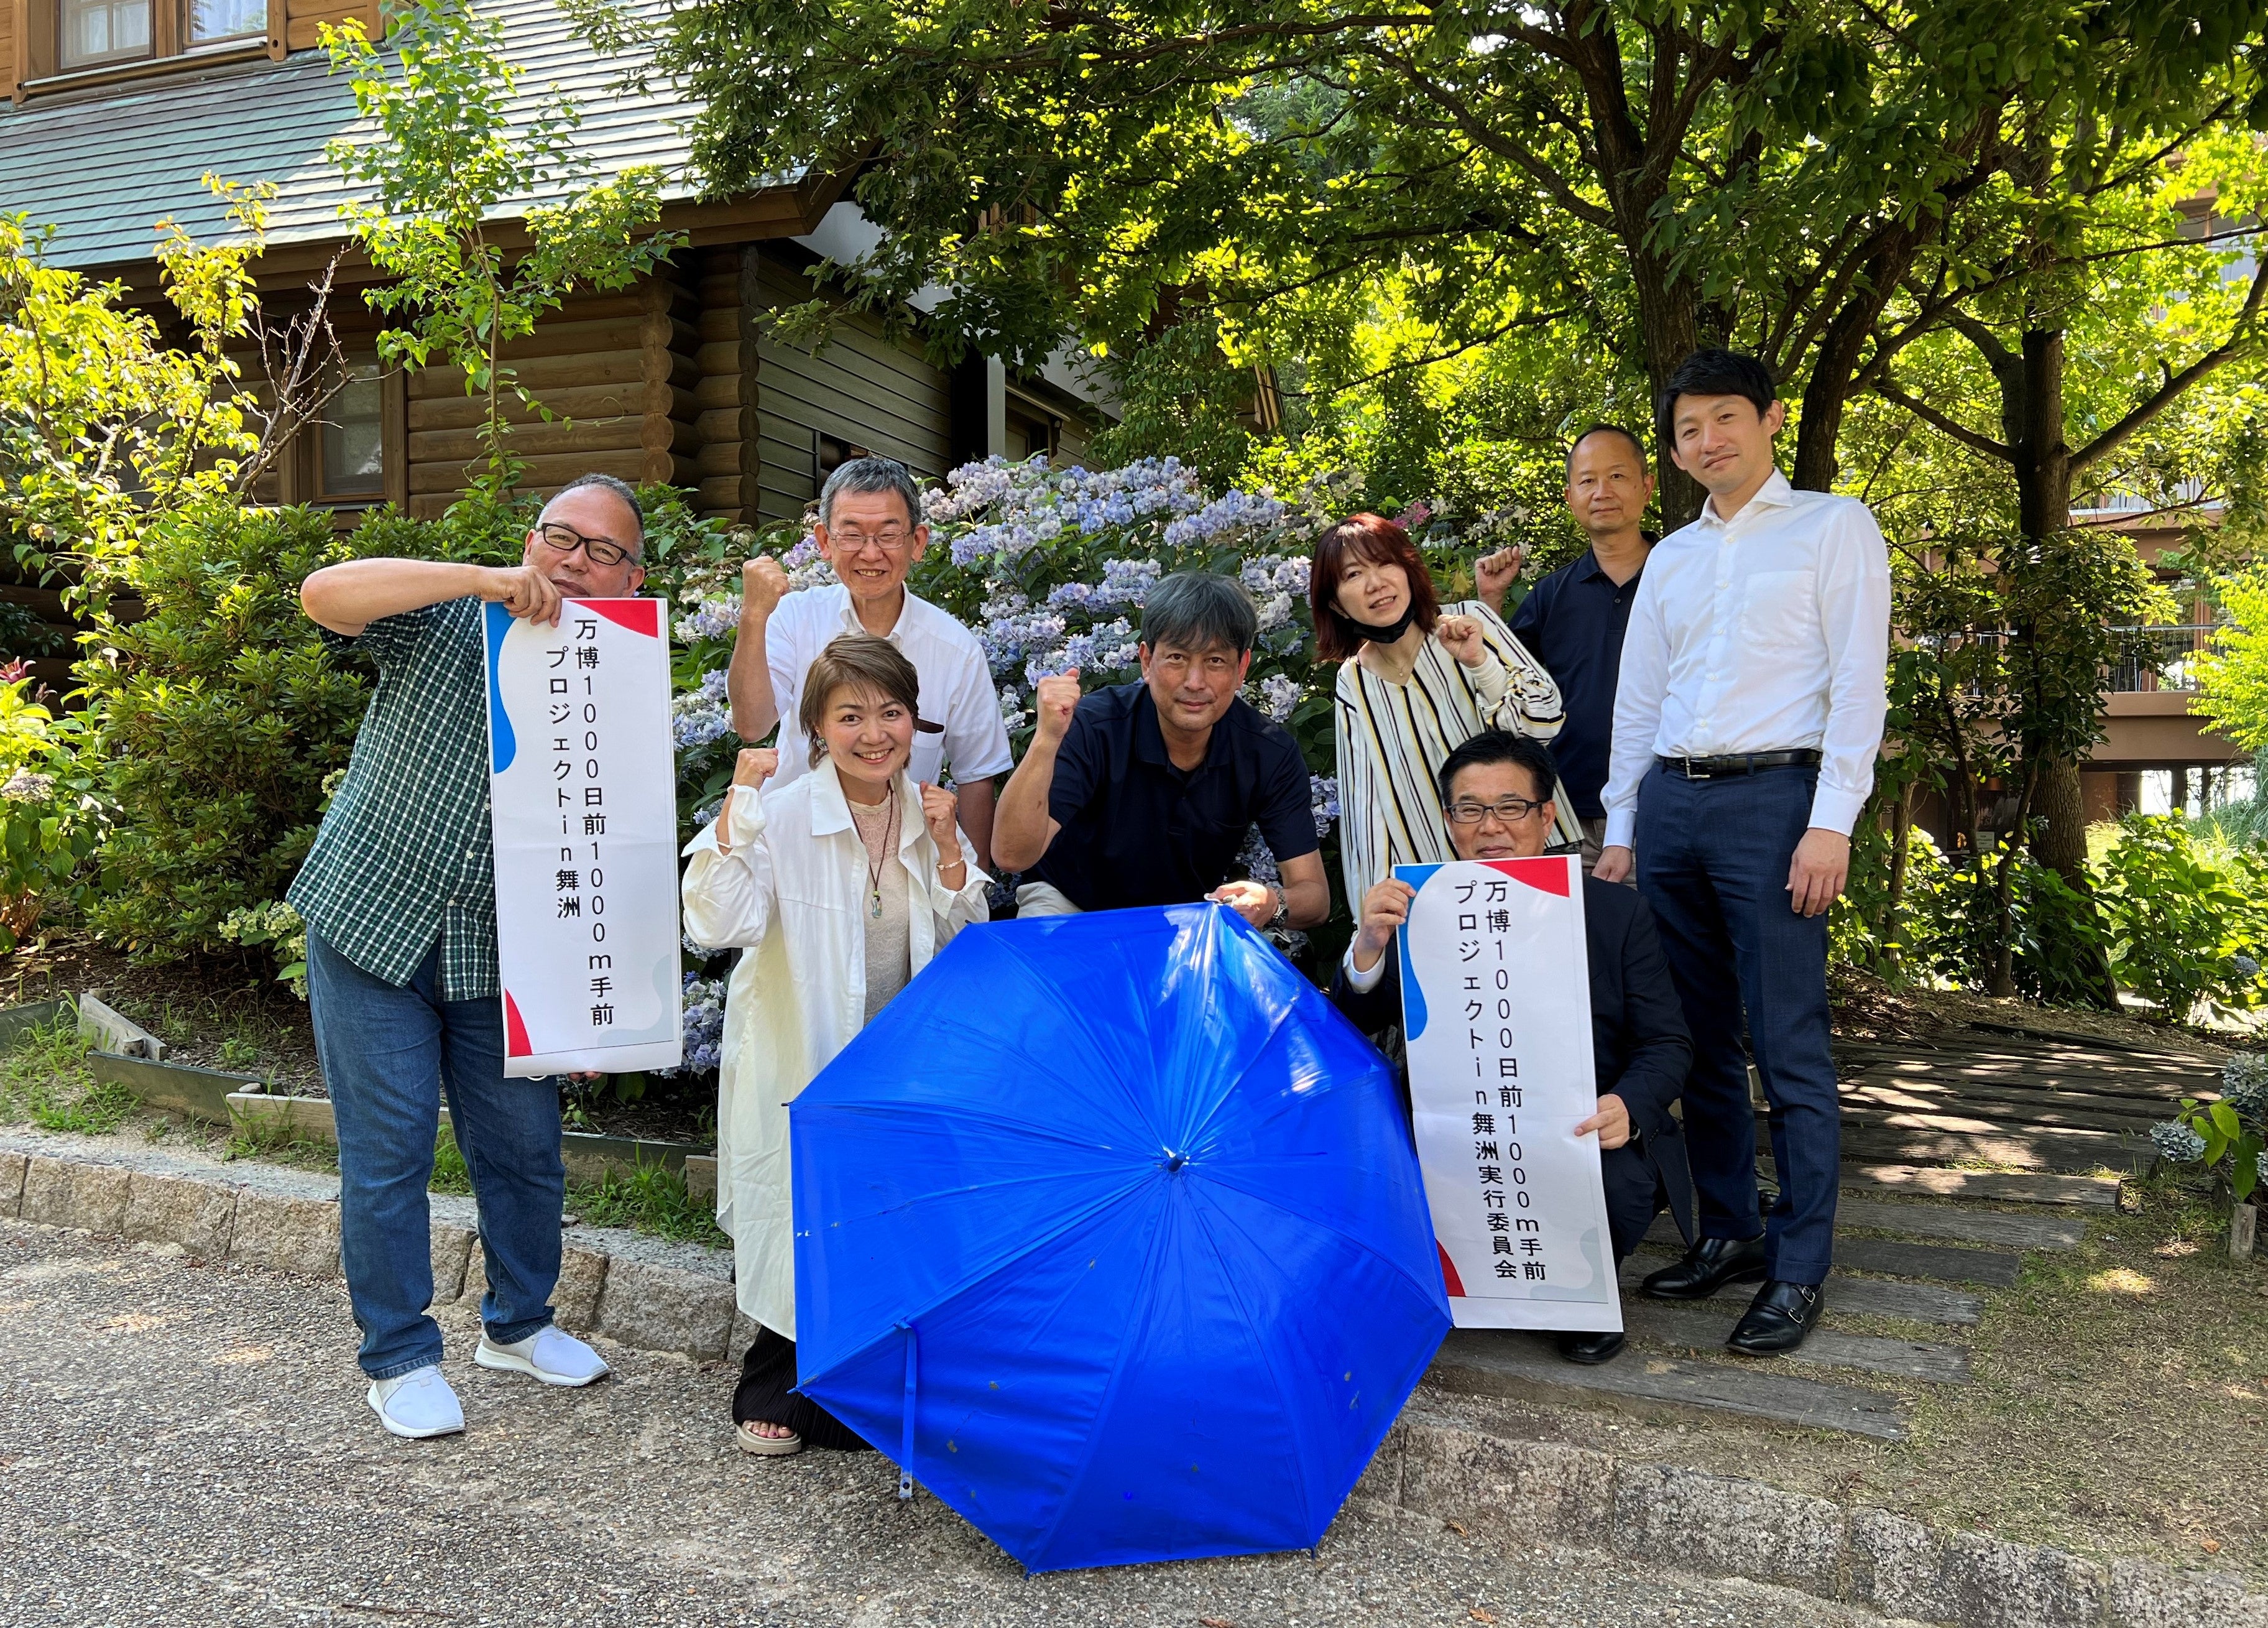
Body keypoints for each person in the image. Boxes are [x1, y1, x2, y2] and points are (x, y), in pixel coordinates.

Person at [292, 472, 640, 1439]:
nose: (574, 560)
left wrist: (595, 987)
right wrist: (481, 578)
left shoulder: (624, 672)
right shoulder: (449, 616)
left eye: (602, 550)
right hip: (372, 915)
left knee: (526, 1150)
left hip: (508, 950)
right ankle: (398, 1354)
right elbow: (325, 593)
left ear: (632, 576)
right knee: (388, 1152)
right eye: (559, 536)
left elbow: (624, 841)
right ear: (531, 541)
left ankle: (519, 1325)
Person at [1595, 349, 1890, 1356]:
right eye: (1687, 429)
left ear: (1768, 419)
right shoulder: (1672, 555)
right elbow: (1638, 703)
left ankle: (1798, 1264)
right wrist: (1623, 828)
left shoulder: (1832, 526)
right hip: (1669, 805)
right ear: (1674, 450)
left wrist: (1831, 819)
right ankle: (1727, 1226)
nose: (1706, 440)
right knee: (1695, 1035)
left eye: (1724, 418)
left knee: (1787, 1040)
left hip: (1775, 801)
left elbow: (1858, 680)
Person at [682, 634, 990, 1457]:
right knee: (802, 1214)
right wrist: (738, 809)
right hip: (806, 1051)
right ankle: (777, 1366)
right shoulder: (783, 812)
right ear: (818, 725)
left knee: (891, 1215)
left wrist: (955, 852)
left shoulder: (925, 812)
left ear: (913, 720)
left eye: (890, 711)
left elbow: (966, 945)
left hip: (900, 1064)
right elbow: (717, 921)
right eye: (850, 714)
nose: (874, 731)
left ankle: (873, 1378)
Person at [1329, 731, 1693, 1366]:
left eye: (1511, 806)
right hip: (1456, 1128)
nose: (1490, 825)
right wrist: (1368, 945)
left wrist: (1627, 1105)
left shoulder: (1613, 913)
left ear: (1547, 815)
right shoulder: (1422, 908)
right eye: (1469, 808)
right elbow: (1356, 1015)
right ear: (1448, 821)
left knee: (1618, 1187)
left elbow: (1668, 1042)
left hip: (1573, 1129)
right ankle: (1441, 1293)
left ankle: (1582, 1300)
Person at [991, 571, 1330, 930]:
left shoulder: (1268, 752)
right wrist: (1046, 738)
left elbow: (1315, 897)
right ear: (1146, 661)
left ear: (1241, 668)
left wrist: (1271, 901)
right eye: (1177, 658)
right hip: (1070, 903)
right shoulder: (1096, 726)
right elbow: (1011, 855)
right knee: (1040, 978)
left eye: (1215, 661)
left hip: (1186, 922)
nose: (1195, 682)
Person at [727, 456, 1013, 871]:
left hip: (903, 864)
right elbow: (752, 725)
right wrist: (754, 615)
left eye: (888, 534)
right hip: (792, 859)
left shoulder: (955, 647)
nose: (871, 553)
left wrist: (971, 898)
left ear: (917, 541)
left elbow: (976, 777)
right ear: (824, 541)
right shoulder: (793, 618)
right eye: (853, 534)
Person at [1316, 512, 1582, 910]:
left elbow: (1542, 722)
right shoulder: (1353, 681)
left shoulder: (1469, 621)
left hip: (1532, 860)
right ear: (1336, 604)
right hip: (1440, 886)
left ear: (1407, 569)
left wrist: (1480, 664)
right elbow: (1364, 803)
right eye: (1353, 575)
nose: (1376, 584)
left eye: (1385, 563)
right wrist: (1369, 909)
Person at [1509, 425, 1658, 874]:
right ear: (1570, 495)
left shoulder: (1683, 579)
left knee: (1656, 943)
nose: (1602, 492)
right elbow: (1504, 690)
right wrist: (1489, 602)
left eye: (1617, 476)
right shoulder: (1550, 596)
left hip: (1663, 813)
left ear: (1646, 486)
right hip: (1568, 818)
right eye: (1588, 480)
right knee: (1575, 942)